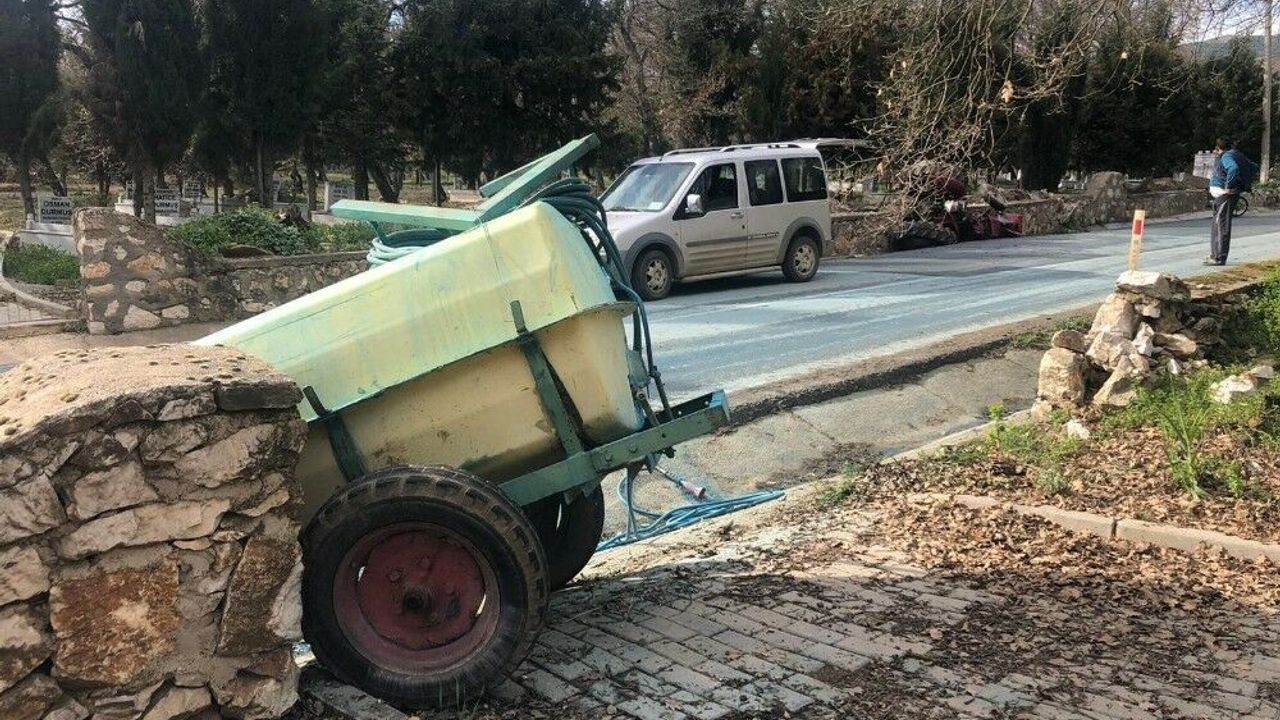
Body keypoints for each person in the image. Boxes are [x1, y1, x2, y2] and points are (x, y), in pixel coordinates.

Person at [1207, 138, 1258, 266]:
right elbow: (1253, 167)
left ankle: (1218, 257)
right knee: (1219, 223)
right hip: (1229, 194)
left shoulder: (1226, 156)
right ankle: (1216, 255)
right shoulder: (1238, 155)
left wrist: (1229, 185)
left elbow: (1233, 168)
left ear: (1219, 148)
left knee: (1220, 224)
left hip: (1226, 195)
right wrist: (1243, 182)